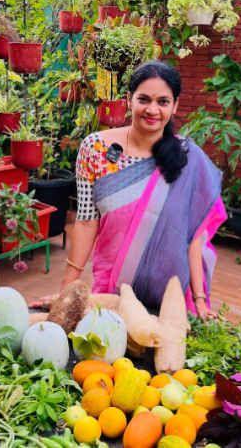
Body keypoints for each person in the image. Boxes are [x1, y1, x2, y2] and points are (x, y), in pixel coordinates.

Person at [50, 60, 224, 317]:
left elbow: (194, 236)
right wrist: (67, 288)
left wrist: (199, 300)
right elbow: (87, 222)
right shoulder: (95, 148)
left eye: (163, 102)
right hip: (112, 289)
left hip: (171, 297)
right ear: (128, 100)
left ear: (175, 106)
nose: (152, 110)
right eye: (144, 99)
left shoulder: (188, 158)